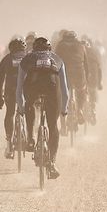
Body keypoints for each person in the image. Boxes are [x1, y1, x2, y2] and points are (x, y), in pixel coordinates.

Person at [16, 37, 69, 179]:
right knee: (53, 126)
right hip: (52, 90)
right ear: (49, 49)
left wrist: (21, 107)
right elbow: (64, 90)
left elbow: (19, 87)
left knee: (30, 106)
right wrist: (64, 109)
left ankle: (31, 139)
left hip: (32, 88)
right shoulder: (58, 59)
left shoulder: (27, 59)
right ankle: (52, 162)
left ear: (34, 48)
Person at [0, 37, 26, 159]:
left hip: (10, 91)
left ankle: (9, 144)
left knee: (10, 113)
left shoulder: (6, 59)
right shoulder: (29, 58)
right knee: (29, 112)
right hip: (26, 91)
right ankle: (30, 139)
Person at [55, 30, 89, 126]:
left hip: (64, 74)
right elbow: (86, 64)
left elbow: (55, 60)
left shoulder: (60, 45)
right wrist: (86, 78)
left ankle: (62, 125)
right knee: (81, 91)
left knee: (62, 94)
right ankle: (79, 110)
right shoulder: (81, 46)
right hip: (79, 74)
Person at [82, 36, 104, 125]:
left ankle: (79, 109)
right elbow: (99, 69)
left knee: (80, 93)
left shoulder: (79, 52)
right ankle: (93, 110)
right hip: (93, 79)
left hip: (83, 79)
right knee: (92, 93)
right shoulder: (94, 54)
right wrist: (99, 83)